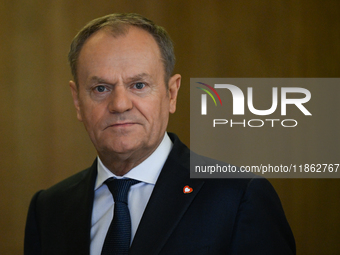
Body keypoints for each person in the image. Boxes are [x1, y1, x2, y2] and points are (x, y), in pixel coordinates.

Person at [24, 13, 296, 255]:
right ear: (77, 101)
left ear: (171, 93)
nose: (120, 104)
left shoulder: (238, 197)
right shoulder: (48, 209)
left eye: (139, 85)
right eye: (101, 88)